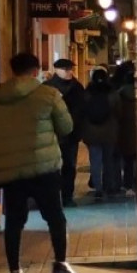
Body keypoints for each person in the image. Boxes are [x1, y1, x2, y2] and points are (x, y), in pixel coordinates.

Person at [0, 52, 80, 273]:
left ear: (12, 70)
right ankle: (61, 263)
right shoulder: (49, 95)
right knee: (55, 217)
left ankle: (14, 272)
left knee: (14, 221)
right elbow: (66, 126)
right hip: (44, 167)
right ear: (35, 71)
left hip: (11, 171)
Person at [43, 57, 87, 206]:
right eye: (66, 69)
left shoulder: (77, 87)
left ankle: (67, 196)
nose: (69, 72)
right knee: (52, 167)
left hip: (71, 135)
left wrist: (79, 130)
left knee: (69, 166)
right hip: (52, 134)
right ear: (56, 70)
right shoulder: (47, 87)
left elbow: (82, 110)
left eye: (70, 69)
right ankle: (53, 197)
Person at [80, 68, 120, 201]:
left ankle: (98, 188)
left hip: (91, 133)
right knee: (108, 161)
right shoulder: (113, 93)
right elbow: (119, 111)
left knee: (95, 161)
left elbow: (82, 111)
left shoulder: (87, 93)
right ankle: (109, 186)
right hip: (109, 132)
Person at [112, 62, 137, 195]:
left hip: (124, 131)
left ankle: (127, 185)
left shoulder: (119, 95)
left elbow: (116, 113)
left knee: (127, 160)